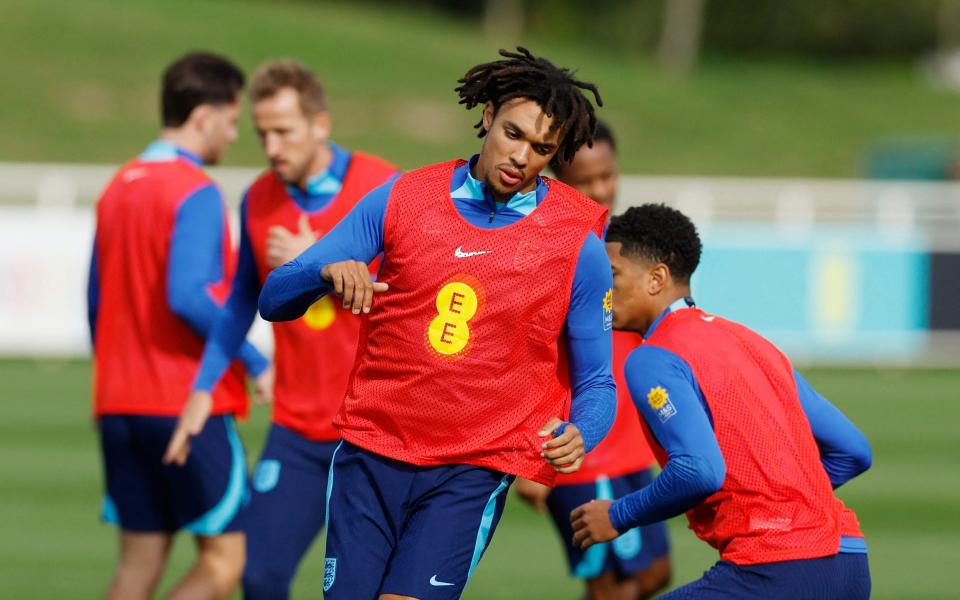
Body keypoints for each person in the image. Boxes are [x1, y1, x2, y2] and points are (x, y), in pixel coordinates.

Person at [255, 47, 617, 600]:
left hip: (471, 469)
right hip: (371, 454)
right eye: (513, 133)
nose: (522, 156)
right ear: (489, 114)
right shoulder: (403, 198)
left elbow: (598, 382)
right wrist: (326, 271)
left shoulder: (577, 243)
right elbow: (275, 297)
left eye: (542, 148)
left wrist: (581, 432)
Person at [163, 59, 398, 600]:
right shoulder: (258, 200)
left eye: (284, 131)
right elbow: (240, 300)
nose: (271, 147)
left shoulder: (381, 185)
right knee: (260, 575)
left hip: (375, 430)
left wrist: (311, 267)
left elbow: (410, 293)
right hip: (297, 430)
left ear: (320, 124)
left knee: (369, 588)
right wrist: (203, 388)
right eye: (262, 132)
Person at [571, 204, 873, 599]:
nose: (603, 291)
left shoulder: (651, 357)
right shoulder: (751, 341)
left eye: (612, 276)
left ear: (656, 278)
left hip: (779, 569)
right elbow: (854, 450)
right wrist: (780, 499)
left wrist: (618, 514)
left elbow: (699, 470)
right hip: (849, 563)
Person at [88, 52, 269, 600]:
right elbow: (189, 296)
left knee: (138, 564)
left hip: (119, 402)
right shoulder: (194, 190)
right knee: (224, 562)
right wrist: (254, 358)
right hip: (183, 402)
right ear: (204, 116)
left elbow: (95, 302)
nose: (235, 134)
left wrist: (109, 384)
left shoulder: (118, 183)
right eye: (232, 120)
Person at [514, 123, 671, 600]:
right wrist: (533, 457)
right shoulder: (550, 252)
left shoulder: (624, 245)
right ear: (558, 180)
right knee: (612, 583)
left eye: (607, 176)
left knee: (651, 575)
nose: (600, 189)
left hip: (627, 447)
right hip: (579, 448)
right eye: (585, 181)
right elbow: (526, 355)